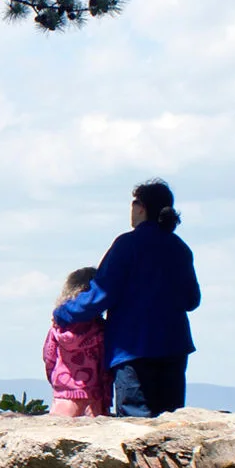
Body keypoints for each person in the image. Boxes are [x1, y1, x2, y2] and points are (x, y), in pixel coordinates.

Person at [53, 179, 201, 417]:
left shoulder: (127, 245)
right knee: (169, 428)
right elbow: (192, 300)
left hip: (133, 352)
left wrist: (64, 312)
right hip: (174, 349)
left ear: (141, 207)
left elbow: (101, 294)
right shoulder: (179, 248)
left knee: (135, 428)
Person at [44, 268, 111, 417]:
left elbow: (49, 359)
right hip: (93, 396)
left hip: (63, 396)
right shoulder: (101, 330)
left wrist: (57, 382)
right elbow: (106, 365)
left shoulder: (57, 328)